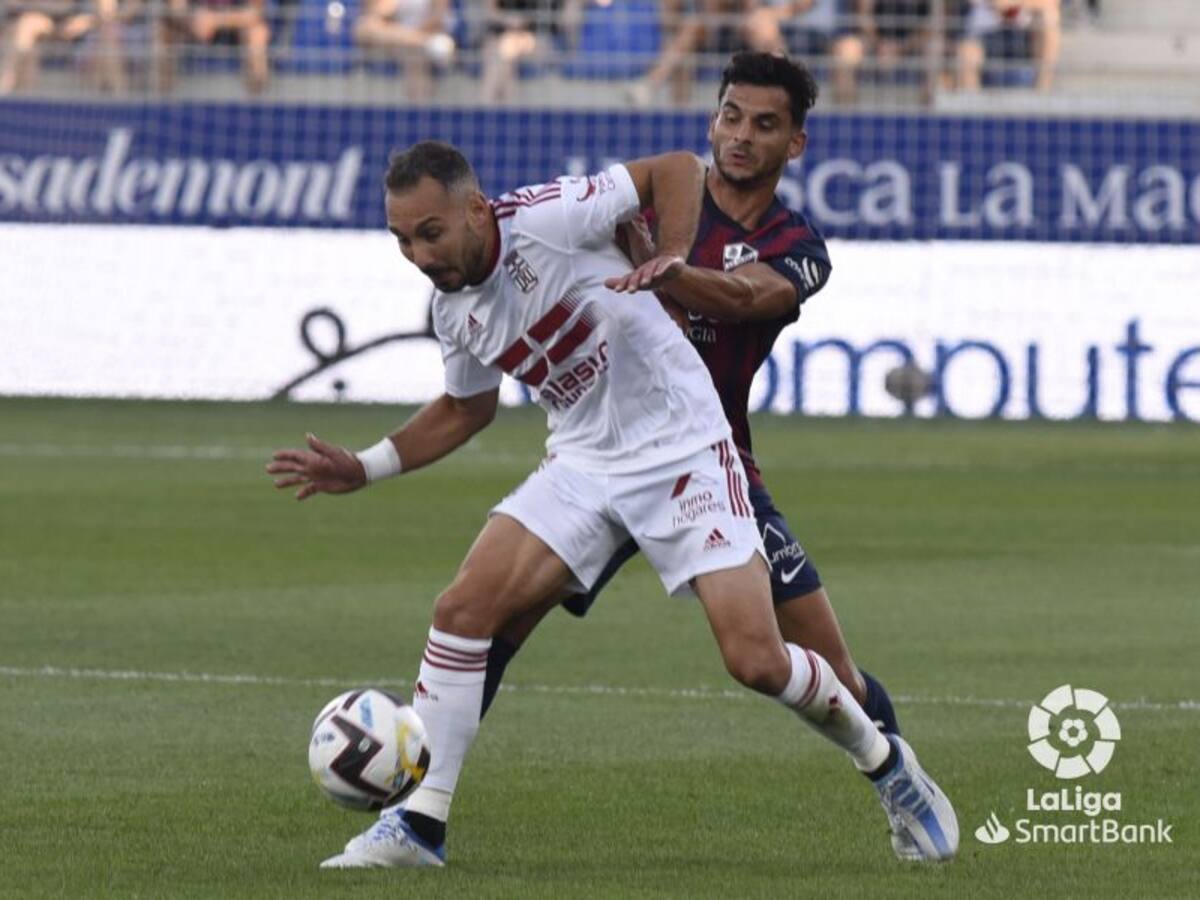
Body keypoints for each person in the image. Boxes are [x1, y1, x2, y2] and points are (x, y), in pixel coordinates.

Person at [267, 137, 958, 868]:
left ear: (475, 210)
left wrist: (672, 259)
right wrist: (366, 466)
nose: (418, 254)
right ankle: (417, 826)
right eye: (402, 239)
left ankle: (889, 768)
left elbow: (678, 169)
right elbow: (467, 408)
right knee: (462, 611)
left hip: (684, 446)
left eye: (430, 233)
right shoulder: (454, 310)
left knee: (756, 660)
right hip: (585, 463)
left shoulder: (549, 217)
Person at [627, 0, 831, 108]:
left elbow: (802, 3)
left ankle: (790, 90)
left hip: (754, 28)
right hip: (715, 28)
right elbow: (701, 12)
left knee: (763, 27)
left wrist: (769, 13)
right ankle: (650, 86)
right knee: (691, 30)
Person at [0, 0, 125, 94]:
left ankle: (120, 98)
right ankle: (7, 90)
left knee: (108, 41)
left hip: (81, 30)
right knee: (24, 31)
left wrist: (87, 20)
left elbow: (107, 13)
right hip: (40, 23)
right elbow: (13, 4)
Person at [831, 0, 935, 105]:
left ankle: (928, 110)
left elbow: (933, 23)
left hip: (913, 44)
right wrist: (879, 43)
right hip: (875, 42)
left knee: (935, 49)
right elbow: (864, 16)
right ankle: (846, 109)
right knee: (847, 49)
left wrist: (902, 47)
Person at [158, 0, 271, 94]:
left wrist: (216, 20)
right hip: (194, 24)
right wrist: (194, 19)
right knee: (165, 30)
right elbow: (176, 8)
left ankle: (257, 98)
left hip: (233, 27)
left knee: (258, 33)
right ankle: (164, 95)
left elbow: (255, 13)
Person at [354, 0, 456, 103]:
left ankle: (418, 106)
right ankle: (423, 43)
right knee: (365, 28)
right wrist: (412, 38)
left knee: (415, 54)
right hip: (402, 38)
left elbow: (437, 18)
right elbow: (378, 14)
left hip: (428, 33)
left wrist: (409, 36)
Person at [954, 0, 1061, 92]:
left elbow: (1051, 3)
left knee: (1049, 19)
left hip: (1024, 38)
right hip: (982, 36)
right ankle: (972, 105)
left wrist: (1015, 2)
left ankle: (1041, 95)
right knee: (966, 51)